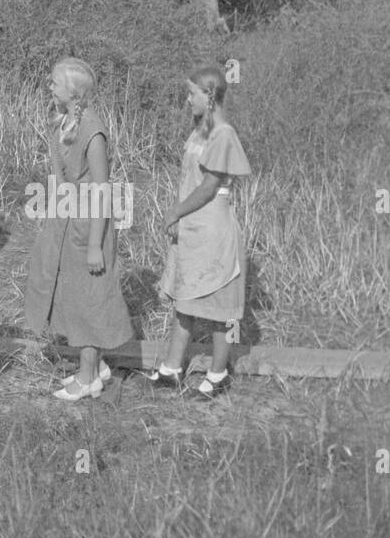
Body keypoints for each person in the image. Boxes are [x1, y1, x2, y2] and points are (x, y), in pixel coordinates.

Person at [24, 58, 133, 401]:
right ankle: (94, 364)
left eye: (55, 81)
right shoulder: (60, 121)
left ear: (74, 92)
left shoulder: (93, 131)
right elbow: (58, 176)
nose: (48, 84)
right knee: (71, 292)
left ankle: (88, 379)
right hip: (68, 217)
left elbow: (102, 191)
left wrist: (95, 246)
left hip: (91, 223)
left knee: (91, 298)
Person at [147, 66, 251, 399]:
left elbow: (209, 187)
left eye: (192, 93)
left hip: (213, 229)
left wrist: (175, 212)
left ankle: (218, 374)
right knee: (186, 300)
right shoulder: (201, 131)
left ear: (208, 96)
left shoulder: (223, 135)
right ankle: (172, 368)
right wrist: (180, 218)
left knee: (217, 310)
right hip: (194, 228)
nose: (187, 99)